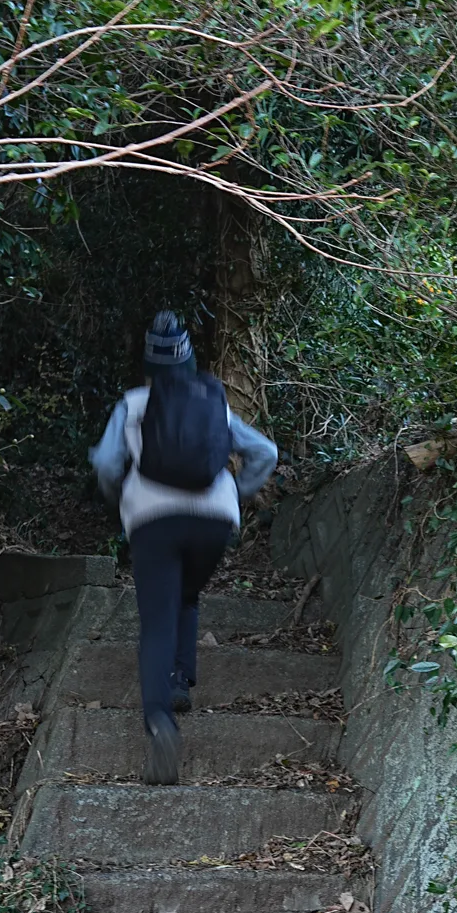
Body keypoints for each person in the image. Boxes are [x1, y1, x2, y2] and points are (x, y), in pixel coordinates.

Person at [90, 311, 278, 783]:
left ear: (149, 364)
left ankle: (160, 722)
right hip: (214, 521)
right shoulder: (215, 403)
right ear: (189, 359)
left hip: (153, 522)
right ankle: (179, 679)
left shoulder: (132, 405)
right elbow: (266, 453)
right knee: (187, 596)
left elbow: (109, 466)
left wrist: (123, 504)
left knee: (157, 620)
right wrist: (237, 493)